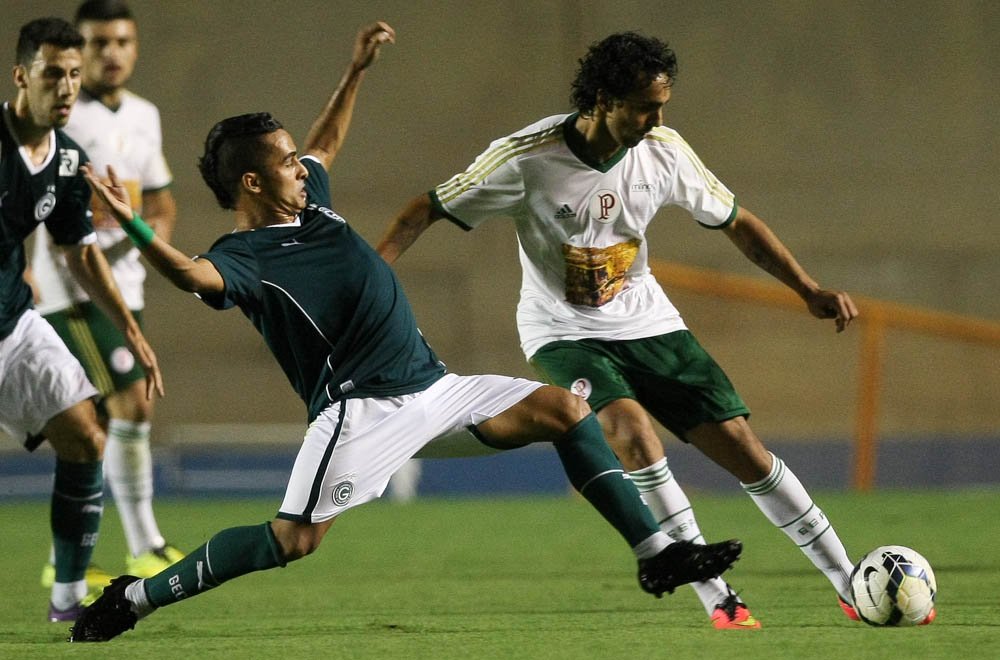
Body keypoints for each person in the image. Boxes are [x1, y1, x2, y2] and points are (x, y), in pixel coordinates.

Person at [68, 22, 741, 643]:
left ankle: (657, 556)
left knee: (567, 409)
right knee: (290, 542)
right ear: (252, 180)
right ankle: (135, 598)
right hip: (360, 411)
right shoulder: (243, 255)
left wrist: (355, 70)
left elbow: (326, 140)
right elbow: (190, 276)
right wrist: (129, 223)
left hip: (435, 388)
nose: (302, 166)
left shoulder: (314, 209)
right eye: (285, 162)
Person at [377, 31, 877, 628]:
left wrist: (807, 288)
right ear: (602, 99)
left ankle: (848, 580)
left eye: (661, 104)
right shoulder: (523, 159)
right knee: (633, 433)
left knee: (745, 450)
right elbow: (422, 210)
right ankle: (717, 596)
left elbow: (737, 221)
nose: (657, 118)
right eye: (645, 105)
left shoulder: (664, 150)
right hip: (562, 330)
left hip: (650, 322)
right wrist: (370, 284)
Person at [1, 16, 162, 623]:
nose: (66, 87)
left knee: (86, 437)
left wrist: (131, 329)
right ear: (22, 76)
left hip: (13, 326)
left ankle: (67, 599)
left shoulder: (68, 160)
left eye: (73, 75)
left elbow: (79, 252)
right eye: (52, 74)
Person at [29, 0, 183, 594]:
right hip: (69, 286)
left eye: (121, 41)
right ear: (78, 52)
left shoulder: (145, 116)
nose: (111, 53)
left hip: (127, 287)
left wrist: (153, 246)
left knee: (89, 423)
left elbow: (162, 203)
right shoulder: (58, 118)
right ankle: (145, 543)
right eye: (98, 43)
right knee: (132, 403)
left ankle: (59, 555)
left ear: (135, 47)